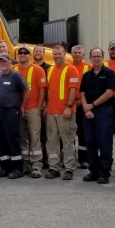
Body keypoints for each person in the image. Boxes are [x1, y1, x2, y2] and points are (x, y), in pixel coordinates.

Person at [79, 48, 115, 184]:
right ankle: (93, 171)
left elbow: (109, 93)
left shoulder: (109, 73)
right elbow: (82, 93)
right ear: (90, 58)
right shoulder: (86, 75)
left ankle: (104, 172)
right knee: (90, 142)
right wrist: (86, 108)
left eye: (98, 56)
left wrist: (92, 105)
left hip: (104, 111)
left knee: (104, 142)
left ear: (103, 57)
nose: (96, 58)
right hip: (88, 112)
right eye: (94, 56)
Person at [43, 45, 80, 180]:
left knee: (68, 141)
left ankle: (69, 168)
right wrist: (46, 107)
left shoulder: (71, 70)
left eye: (60, 54)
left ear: (65, 54)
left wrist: (69, 107)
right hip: (52, 111)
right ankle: (54, 168)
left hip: (65, 111)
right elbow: (49, 90)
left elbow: (73, 89)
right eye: (55, 54)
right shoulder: (50, 70)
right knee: (51, 141)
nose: (57, 56)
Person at [0, 54, 29, 179]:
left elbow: (26, 90)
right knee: (0, 141)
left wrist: (22, 106)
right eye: (0, 62)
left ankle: (17, 168)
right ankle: (5, 167)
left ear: (10, 63)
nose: (2, 64)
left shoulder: (15, 75)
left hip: (11, 112)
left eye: (4, 61)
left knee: (12, 140)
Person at [15, 44, 47, 178]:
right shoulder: (13, 69)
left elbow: (42, 90)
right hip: (18, 109)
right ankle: (25, 164)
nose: (22, 55)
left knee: (35, 138)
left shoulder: (38, 70)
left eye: (25, 53)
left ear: (30, 55)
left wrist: (39, 107)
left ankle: (36, 166)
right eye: (20, 53)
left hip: (33, 108)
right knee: (22, 138)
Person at [71, 45, 92, 169]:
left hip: (84, 105)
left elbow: (92, 89)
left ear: (83, 55)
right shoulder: (68, 67)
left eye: (79, 53)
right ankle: (69, 158)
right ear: (72, 54)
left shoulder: (89, 68)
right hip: (70, 105)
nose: (77, 54)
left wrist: (82, 102)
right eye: (75, 53)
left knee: (84, 133)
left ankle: (84, 159)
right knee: (69, 133)